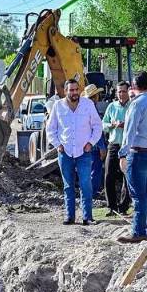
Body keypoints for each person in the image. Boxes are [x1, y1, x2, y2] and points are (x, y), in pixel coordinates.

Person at [117, 71, 147, 243]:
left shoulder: (137, 104)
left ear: (133, 85)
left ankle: (138, 231)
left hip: (137, 152)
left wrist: (123, 153)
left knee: (138, 196)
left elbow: (129, 131)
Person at [45, 78, 103, 225]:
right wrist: (57, 144)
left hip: (84, 152)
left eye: (76, 89)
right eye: (71, 90)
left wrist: (91, 142)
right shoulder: (58, 106)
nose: (74, 92)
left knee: (86, 184)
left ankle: (87, 217)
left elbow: (97, 126)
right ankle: (69, 216)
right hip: (65, 152)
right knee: (68, 185)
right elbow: (50, 129)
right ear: (65, 91)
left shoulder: (88, 105)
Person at [102, 81, 132, 215]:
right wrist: (112, 124)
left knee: (128, 176)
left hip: (128, 145)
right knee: (109, 175)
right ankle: (111, 207)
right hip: (114, 144)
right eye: (119, 91)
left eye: (123, 91)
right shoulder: (111, 106)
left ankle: (124, 206)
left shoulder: (132, 106)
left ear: (128, 91)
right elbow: (103, 124)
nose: (121, 94)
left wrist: (126, 125)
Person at [83, 84, 106, 199]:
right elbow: (98, 131)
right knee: (95, 171)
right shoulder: (93, 109)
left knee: (88, 171)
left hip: (85, 145)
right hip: (94, 147)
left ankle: (88, 192)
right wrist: (102, 147)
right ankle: (92, 194)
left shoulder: (83, 108)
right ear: (95, 96)